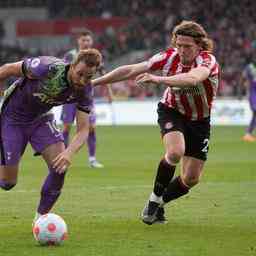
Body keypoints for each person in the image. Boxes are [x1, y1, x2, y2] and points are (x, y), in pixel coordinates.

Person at [92, 20, 220, 225]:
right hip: (172, 111)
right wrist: (94, 83)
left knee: (191, 179)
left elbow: (194, 79)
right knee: (175, 152)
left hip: (199, 121)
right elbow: (131, 69)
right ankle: (153, 200)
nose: (182, 50)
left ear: (199, 45)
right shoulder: (168, 57)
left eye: (187, 46)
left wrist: (159, 80)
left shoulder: (207, 61)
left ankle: (160, 203)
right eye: (178, 45)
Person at [0, 49, 102, 223]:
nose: (83, 80)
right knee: (8, 183)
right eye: (80, 74)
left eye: (89, 77)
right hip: (13, 119)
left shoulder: (85, 90)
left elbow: (84, 129)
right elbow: (7, 69)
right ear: (72, 66)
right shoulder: (46, 67)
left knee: (60, 167)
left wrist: (69, 153)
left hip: (41, 119)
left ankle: (40, 220)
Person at [61, 30, 113, 168]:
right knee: (66, 127)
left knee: (91, 128)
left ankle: (92, 159)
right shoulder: (70, 55)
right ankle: (62, 155)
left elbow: (104, 75)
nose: (86, 42)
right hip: (69, 97)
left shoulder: (95, 58)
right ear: (78, 41)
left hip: (86, 97)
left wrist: (109, 92)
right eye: (83, 40)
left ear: (92, 41)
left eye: (88, 40)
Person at [241, 60, 256, 142]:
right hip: (253, 94)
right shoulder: (249, 67)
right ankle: (248, 134)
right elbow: (243, 78)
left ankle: (248, 134)